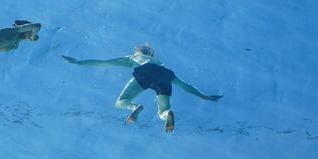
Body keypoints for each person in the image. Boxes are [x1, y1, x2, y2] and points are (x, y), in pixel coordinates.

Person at [63, 45, 223, 132]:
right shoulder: (160, 62)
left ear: (139, 52)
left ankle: (135, 107)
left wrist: (78, 62)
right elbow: (185, 85)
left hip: (146, 71)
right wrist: (204, 96)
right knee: (162, 112)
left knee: (121, 101)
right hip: (166, 76)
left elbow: (104, 62)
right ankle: (168, 115)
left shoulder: (134, 57)